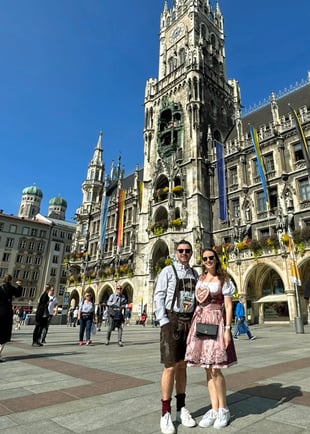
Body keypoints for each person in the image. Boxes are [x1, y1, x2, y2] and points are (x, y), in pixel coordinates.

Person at [185, 247, 237, 429]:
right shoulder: (200, 279)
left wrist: (228, 329)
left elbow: (229, 307)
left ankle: (224, 409)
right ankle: (214, 409)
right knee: (206, 368)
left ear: (216, 259)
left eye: (211, 258)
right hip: (200, 322)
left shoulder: (224, 280)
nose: (208, 261)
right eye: (205, 258)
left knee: (216, 368)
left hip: (216, 321)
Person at [154, 240, 198, 434]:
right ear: (176, 252)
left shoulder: (194, 273)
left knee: (182, 365)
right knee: (170, 366)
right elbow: (159, 296)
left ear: (191, 252)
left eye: (187, 251)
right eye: (181, 250)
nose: (184, 253)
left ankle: (181, 408)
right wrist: (162, 320)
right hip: (172, 321)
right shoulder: (167, 271)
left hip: (189, 321)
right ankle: (165, 413)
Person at [0, 275, 23, 361]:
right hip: (7, 312)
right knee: (4, 335)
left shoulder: (0, 288)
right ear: (10, 280)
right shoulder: (11, 288)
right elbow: (18, 294)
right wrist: (19, 285)